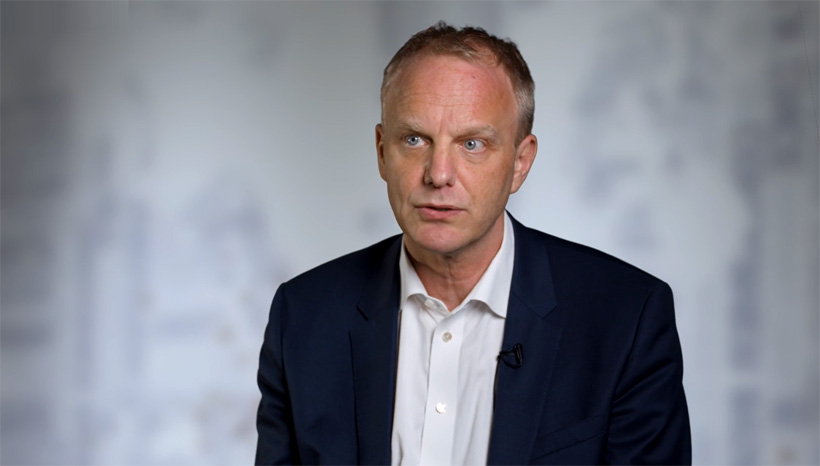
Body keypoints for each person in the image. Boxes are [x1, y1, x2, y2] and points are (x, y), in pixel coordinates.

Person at [256, 22, 691, 465]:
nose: (438, 174)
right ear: (382, 151)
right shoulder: (303, 317)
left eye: (472, 144)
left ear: (520, 162)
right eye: (414, 139)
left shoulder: (626, 318)